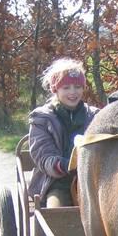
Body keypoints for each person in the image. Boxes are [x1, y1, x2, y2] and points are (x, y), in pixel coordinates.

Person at [28, 58, 99, 207]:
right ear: (56, 89)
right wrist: (69, 165)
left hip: (91, 181)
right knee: (57, 214)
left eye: (77, 87)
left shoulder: (94, 116)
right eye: (66, 87)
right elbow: (43, 156)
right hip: (57, 183)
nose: (73, 92)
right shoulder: (42, 119)